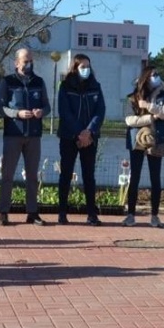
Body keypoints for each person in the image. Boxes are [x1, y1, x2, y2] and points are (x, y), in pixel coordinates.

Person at [0, 48, 51, 226]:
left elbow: (47, 106)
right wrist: (17, 113)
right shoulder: (7, 81)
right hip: (13, 134)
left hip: (34, 135)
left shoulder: (39, 81)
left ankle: (32, 213)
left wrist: (41, 111)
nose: (29, 64)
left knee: (33, 176)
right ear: (17, 62)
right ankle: (3, 212)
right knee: (7, 175)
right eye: (25, 61)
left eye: (31, 61)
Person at [56, 53, 106, 226]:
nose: (86, 70)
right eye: (82, 67)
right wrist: (79, 132)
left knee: (89, 176)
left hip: (90, 139)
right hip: (69, 137)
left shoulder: (96, 86)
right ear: (75, 68)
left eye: (88, 66)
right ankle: (62, 213)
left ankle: (92, 214)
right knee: (66, 174)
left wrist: (89, 132)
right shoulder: (65, 86)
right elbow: (65, 112)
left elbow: (100, 111)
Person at [122, 66, 164, 228]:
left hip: (156, 139)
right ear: (145, 77)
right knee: (134, 177)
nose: (156, 77)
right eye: (153, 75)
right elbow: (129, 120)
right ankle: (130, 215)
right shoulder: (132, 97)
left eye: (157, 74)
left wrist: (150, 106)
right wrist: (151, 118)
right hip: (137, 139)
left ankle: (155, 216)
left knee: (155, 178)